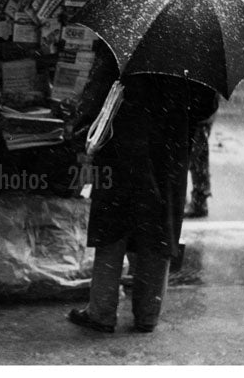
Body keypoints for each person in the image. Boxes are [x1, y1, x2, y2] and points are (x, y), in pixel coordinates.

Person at [68, 46, 217, 333]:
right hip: (170, 152)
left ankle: (102, 311)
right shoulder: (197, 48)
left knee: (113, 228)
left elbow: (98, 93)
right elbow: (205, 108)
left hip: (122, 144)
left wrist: (81, 129)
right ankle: (147, 314)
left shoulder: (123, 41)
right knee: (158, 229)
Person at [184, 98, 219, 219]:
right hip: (199, 108)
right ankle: (198, 198)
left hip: (198, 109)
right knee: (197, 153)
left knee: (195, 153)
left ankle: (198, 199)